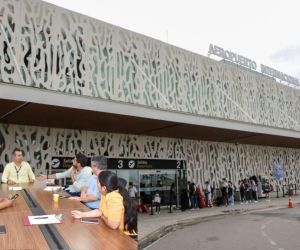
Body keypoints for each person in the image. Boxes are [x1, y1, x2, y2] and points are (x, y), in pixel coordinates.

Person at [71, 171, 137, 235]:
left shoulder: (113, 197)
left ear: (104, 188)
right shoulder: (105, 194)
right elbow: (100, 211)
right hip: (114, 232)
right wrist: (82, 214)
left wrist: (103, 217)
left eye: (97, 182)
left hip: (124, 236)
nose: (96, 184)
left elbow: (113, 225)